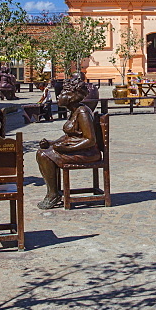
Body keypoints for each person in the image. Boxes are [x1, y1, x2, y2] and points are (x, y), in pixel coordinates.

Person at [36, 74, 103, 209]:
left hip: (88, 152)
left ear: (72, 96)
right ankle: (53, 192)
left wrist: (67, 149)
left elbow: (90, 140)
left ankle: (53, 194)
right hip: (78, 148)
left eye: (62, 93)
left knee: (43, 155)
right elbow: (71, 136)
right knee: (43, 152)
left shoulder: (82, 112)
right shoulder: (74, 111)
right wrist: (51, 142)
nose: (59, 97)